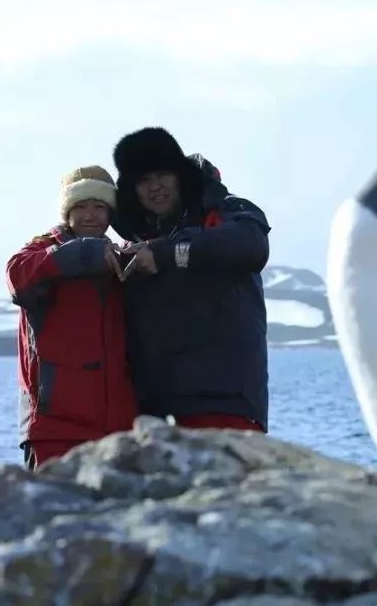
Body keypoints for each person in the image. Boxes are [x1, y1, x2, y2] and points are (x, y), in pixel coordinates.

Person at [111, 126, 271, 432]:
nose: (154, 186)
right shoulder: (136, 244)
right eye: (143, 180)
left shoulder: (228, 213)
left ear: (180, 176)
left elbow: (252, 246)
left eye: (162, 175)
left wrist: (166, 254)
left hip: (224, 403)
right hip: (153, 411)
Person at [5, 165, 137, 469]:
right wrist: (86, 254)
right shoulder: (40, 252)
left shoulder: (122, 258)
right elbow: (17, 278)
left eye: (99, 207)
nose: (90, 215)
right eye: (80, 206)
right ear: (66, 211)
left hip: (118, 431)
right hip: (55, 431)